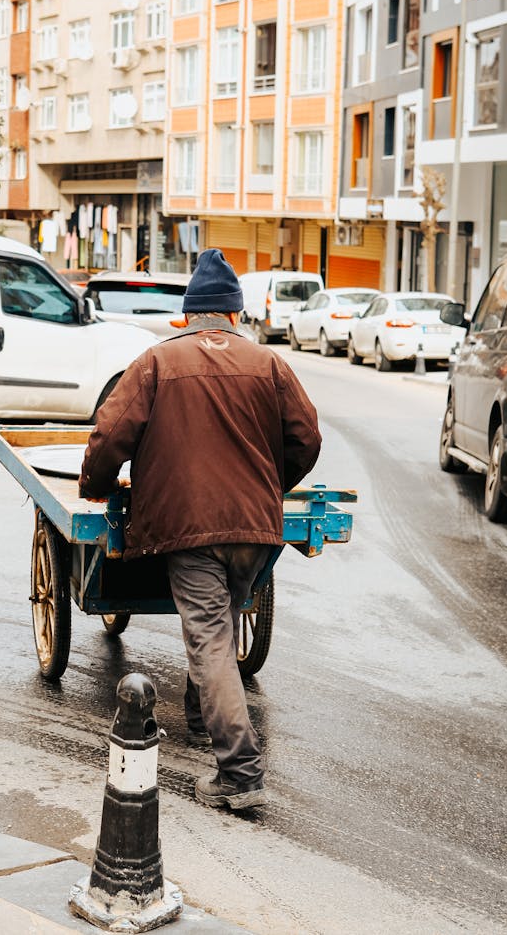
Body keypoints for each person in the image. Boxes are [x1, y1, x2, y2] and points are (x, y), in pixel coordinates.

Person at [78, 249, 321, 811]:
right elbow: (306, 439)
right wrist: (270, 484)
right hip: (257, 532)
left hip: (189, 529)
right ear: (235, 314)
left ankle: (239, 772)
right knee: (220, 624)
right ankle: (198, 712)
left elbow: (110, 434)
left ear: (187, 317)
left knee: (209, 637)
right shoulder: (269, 365)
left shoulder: (156, 364)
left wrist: (97, 482)